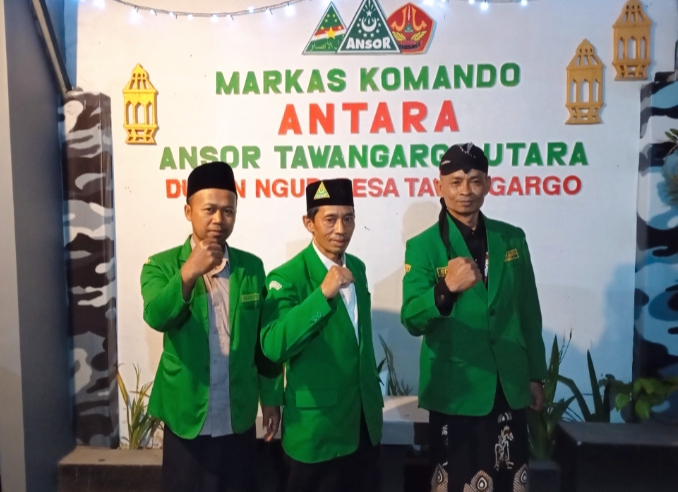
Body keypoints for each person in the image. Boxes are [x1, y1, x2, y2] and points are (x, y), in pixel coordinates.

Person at [401, 144, 547, 492]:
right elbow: (412, 318)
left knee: (510, 481)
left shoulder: (511, 238)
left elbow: (528, 310)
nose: (465, 190)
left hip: (508, 384)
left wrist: (535, 375)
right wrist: (445, 289)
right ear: (439, 186)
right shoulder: (423, 246)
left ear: (488, 185)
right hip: (457, 389)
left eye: (475, 181)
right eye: (455, 182)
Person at [140, 162, 283, 492]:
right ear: (188, 211)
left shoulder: (251, 267)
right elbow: (157, 316)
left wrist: (271, 397)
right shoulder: (160, 265)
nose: (219, 219)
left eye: (228, 211)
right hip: (187, 415)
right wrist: (188, 272)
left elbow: (263, 341)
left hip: (237, 413)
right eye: (210, 209)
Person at [260, 179, 383, 492]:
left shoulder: (357, 268)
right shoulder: (286, 277)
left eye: (348, 218)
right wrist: (322, 294)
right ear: (309, 223)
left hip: (363, 424)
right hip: (315, 431)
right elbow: (273, 345)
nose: (341, 229)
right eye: (330, 219)